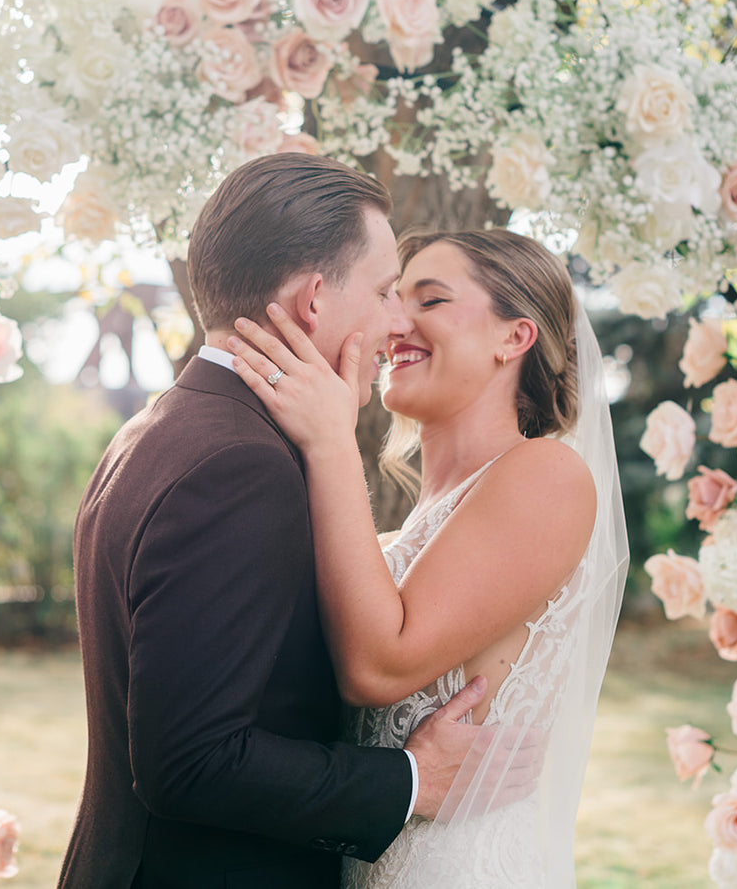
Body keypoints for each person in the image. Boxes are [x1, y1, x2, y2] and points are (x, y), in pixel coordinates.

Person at [58, 154, 499, 889]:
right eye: (386, 290)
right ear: (314, 301)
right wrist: (410, 779)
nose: (398, 321)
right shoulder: (239, 466)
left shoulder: (161, 427)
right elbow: (189, 762)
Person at [228, 229, 630, 887]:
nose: (394, 321)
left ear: (513, 337)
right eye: (391, 296)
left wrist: (330, 439)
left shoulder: (546, 475)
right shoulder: (398, 536)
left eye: (431, 300)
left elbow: (378, 665)